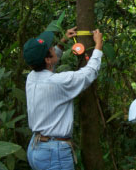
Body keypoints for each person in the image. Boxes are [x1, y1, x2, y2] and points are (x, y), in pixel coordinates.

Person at [23, 27, 103, 170]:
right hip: (54, 153)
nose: (54, 48)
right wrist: (98, 46)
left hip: (36, 148)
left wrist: (62, 42)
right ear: (47, 59)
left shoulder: (31, 77)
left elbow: (48, 66)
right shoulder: (59, 82)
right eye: (51, 48)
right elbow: (90, 72)